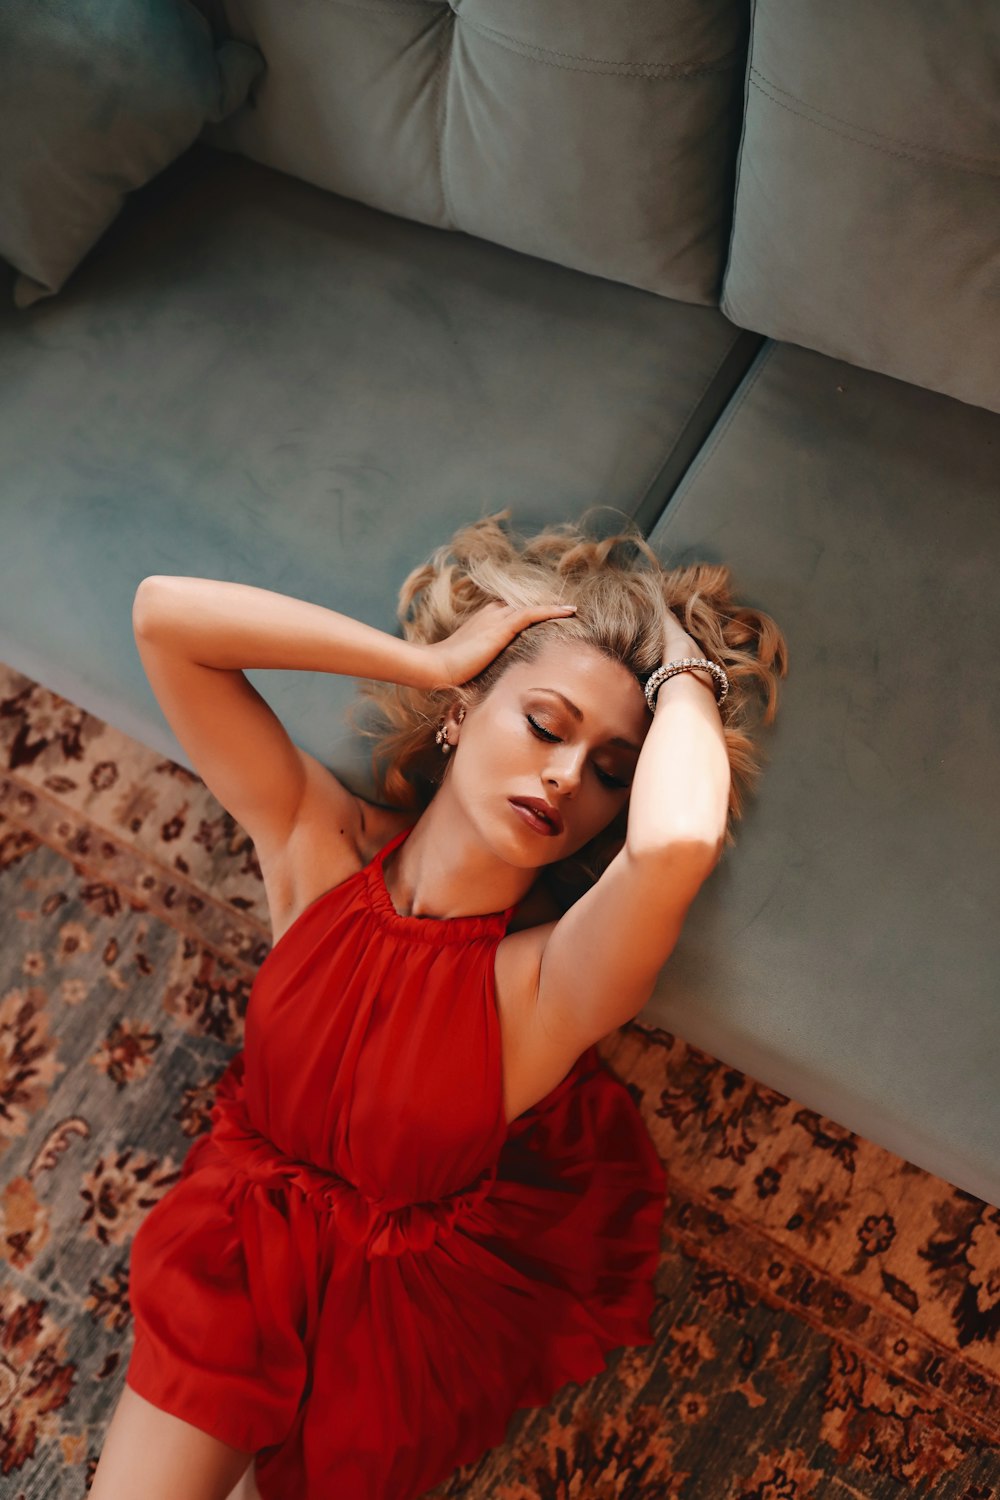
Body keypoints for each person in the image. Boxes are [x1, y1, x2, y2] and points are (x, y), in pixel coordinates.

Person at [90, 507, 786, 1500]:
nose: (563, 776)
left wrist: (686, 673)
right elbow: (166, 620)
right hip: (237, 1245)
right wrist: (429, 663)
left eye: (608, 772)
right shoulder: (314, 847)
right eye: (545, 723)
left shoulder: (546, 982)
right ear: (463, 714)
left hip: (393, 1316)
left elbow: (673, 845)